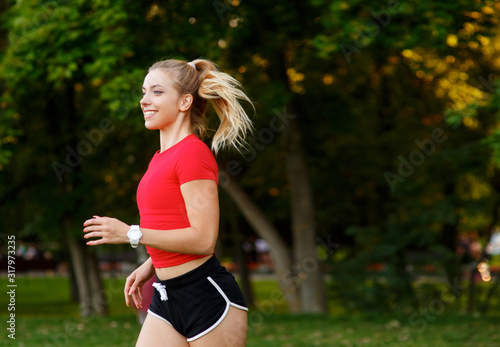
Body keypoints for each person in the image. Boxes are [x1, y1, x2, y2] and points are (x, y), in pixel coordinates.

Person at [83, 58, 253, 346]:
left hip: (206, 298)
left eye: (157, 92)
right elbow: (175, 224)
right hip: (166, 295)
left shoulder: (192, 155)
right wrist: (151, 264)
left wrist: (130, 234)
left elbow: (202, 240)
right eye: (144, 91)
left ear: (185, 102)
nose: (144, 100)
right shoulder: (160, 158)